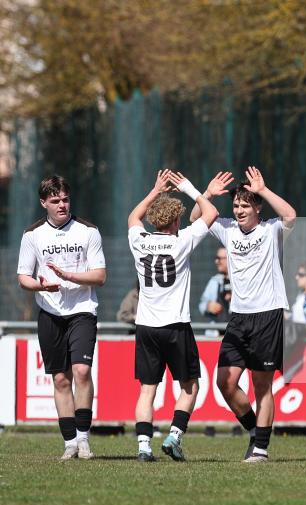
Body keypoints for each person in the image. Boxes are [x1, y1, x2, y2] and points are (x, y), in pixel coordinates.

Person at [183, 166, 296, 463]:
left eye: (246, 205)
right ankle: (254, 431)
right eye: (236, 205)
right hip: (239, 318)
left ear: (257, 207)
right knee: (225, 382)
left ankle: (260, 448)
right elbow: (195, 220)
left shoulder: (271, 229)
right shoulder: (227, 229)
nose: (239, 210)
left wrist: (263, 191)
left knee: (262, 385)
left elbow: (291, 215)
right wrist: (206, 194)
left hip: (267, 313)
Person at [128, 169, 227, 461]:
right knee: (190, 386)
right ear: (175, 220)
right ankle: (174, 436)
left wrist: (155, 191)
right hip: (175, 326)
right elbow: (210, 212)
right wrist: (191, 188)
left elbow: (133, 217)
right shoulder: (181, 241)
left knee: (147, 390)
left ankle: (144, 446)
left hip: (146, 326)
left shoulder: (139, 241)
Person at [16, 175, 107, 460]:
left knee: (80, 371)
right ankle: (69, 442)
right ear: (43, 203)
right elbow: (23, 278)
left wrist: (69, 276)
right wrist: (43, 286)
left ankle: (83, 438)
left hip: (82, 311)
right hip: (50, 313)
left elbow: (100, 276)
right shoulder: (32, 235)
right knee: (60, 379)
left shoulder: (88, 231)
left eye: (65, 199)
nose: (62, 205)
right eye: (55, 201)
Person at [198, 246, 231, 324]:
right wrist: (208, 306)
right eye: (216, 258)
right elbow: (201, 305)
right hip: (216, 334)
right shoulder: (214, 281)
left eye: (220, 258)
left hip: (237, 333)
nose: (216, 261)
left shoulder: (241, 281)